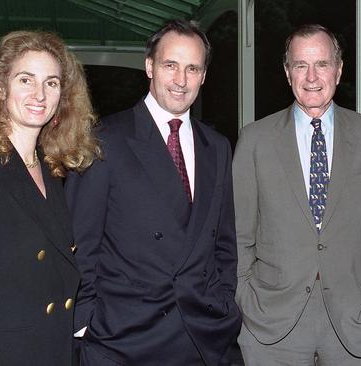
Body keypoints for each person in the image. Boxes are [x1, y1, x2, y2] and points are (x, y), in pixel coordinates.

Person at [64, 19, 241, 365]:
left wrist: (222, 300)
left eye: (192, 68)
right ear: (149, 66)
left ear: (203, 76)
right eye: (170, 65)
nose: (180, 80)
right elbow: (79, 244)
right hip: (124, 339)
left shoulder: (217, 147)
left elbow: (224, 243)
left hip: (203, 336)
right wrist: (84, 324)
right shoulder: (104, 140)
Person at [233, 24, 361, 365]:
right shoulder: (254, 140)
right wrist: (247, 299)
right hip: (272, 324)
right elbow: (238, 235)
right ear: (287, 72)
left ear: (338, 71)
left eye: (322, 64)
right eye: (300, 65)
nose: (312, 76)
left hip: (357, 320)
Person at [0, 30, 99, 366]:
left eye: (51, 83)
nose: (39, 93)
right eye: (26, 79)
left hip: (54, 350)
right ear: (0, 88)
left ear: (63, 97)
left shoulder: (53, 171)